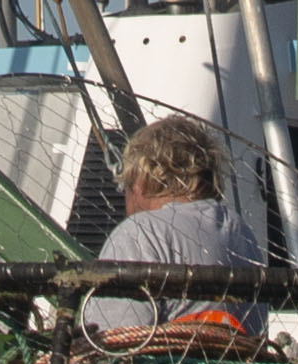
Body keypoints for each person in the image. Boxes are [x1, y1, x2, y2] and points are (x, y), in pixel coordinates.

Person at [83, 114, 267, 332]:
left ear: (140, 181)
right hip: (238, 363)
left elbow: (111, 342)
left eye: (125, 188)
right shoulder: (240, 231)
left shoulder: (139, 233)